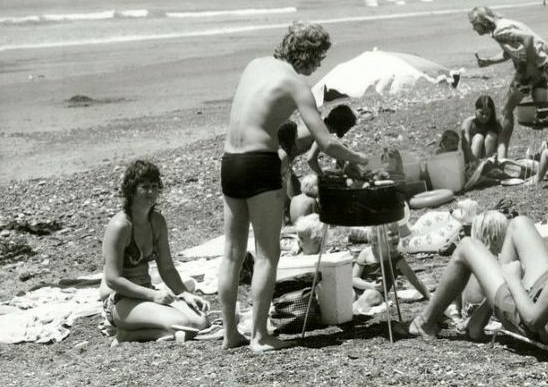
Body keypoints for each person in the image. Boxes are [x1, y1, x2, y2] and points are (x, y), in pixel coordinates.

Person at [218, 21, 368, 353]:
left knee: (231, 253)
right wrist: (359, 158)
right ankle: (259, 335)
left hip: (230, 161)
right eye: (318, 59)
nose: (318, 66)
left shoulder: (254, 65)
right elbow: (326, 142)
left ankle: (230, 332)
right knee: (266, 254)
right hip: (260, 163)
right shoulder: (296, 85)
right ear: (308, 54)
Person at [404, 165, 548, 344]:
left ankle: (424, 323)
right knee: (519, 223)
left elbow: (535, 321)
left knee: (467, 245)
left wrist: (513, 280)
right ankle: (480, 318)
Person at [100, 160, 210, 343]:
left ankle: (149, 332)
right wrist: (153, 295)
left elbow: (166, 268)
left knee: (201, 321)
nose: (151, 192)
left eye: (154, 186)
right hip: (120, 300)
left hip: (148, 291)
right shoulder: (120, 226)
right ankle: (127, 334)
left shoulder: (157, 222)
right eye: (144, 187)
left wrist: (184, 293)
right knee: (183, 323)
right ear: (131, 190)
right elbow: (112, 279)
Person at [468, 6, 548, 160]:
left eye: (474, 23)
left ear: (483, 21)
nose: (473, 28)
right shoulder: (504, 23)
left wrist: (528, 67)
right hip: (542, 67)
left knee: (506, 111)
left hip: (528, 71)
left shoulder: (499, 31)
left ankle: (502, 156)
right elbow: (512, 51)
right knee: (543, 113)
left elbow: (528, 39)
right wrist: (489, 61)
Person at [352, 222, 431, 312]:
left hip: (376, 293)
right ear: (376, 238)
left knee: (370, 296)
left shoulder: (396, 259)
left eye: (397, 233)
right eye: (391, 234)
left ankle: (351, 312)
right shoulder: (366, 253)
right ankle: (347, 312)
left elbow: (415, 280)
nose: (396, 237)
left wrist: (429, 296)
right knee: (349, 295)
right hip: (359, 288)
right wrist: (370, 285)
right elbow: (354, 279)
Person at [461, 95, 502, 162]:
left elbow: (499, 148)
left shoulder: (496, 125)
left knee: (491, 137)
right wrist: (474, 160)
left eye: (487, 114)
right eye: (481, 113)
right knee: (478, 138)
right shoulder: (468, 123)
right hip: (471, 159)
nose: (484, 116)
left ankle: (485, 165)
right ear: (475, 110)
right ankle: (474, 166)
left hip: (488, 159)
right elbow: (465, 146)